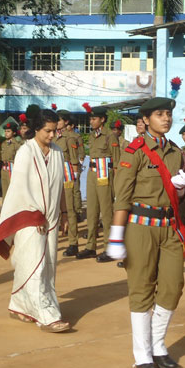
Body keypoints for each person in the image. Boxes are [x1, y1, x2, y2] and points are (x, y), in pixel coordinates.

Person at [107, 97, 185, 368]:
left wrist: (180, 189)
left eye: (168, 114)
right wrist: (116, 236)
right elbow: (123, 195)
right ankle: (143, 354)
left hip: (169, 225)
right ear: (145, 120)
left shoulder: (175, 152)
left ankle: (157, 345)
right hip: (140, 226)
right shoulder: (135, 151)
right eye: (159, 114)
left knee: (172, 285)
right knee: (142, 288)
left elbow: (177, 195)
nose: (166, 118)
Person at [0, 109, 70, 332]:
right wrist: (34, 214)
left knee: (47, 265)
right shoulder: (25, 152)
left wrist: (64, 213)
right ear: (36, 129)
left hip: (52, 218)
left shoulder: (57, 152)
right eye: (47, 131)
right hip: (29, 217)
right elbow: (20, 188)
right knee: (33, 263)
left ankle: (19, 305)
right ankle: (46, 314)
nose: (52, 136)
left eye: (55, 131)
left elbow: (60, 186)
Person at [76, 104, 120, 262]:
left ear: (102, 120)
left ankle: (109, 248)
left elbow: (116, 163)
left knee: (107, 213)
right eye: (90, 119)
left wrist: (115, 185)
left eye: (94, 119)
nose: (91, 121)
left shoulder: (110, 136)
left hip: (105, 175)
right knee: (91, 211)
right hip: (92, 174)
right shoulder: (93, 136)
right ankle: (91, 246)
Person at [54, 110, 80, 257]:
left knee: (69, 209)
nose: (57, 123)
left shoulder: (69, 138)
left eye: (59, 120)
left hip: (66, 175)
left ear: (66, 122)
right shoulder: (53, 136)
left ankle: (73, 243)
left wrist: (74, 175)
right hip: (55, 175)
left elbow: (74, 159)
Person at [67, 121, 85, 220]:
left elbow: (81, 152)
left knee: (76, 189)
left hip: (74, 165)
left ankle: (78, 210)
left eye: (67, 125)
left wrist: (80, 164)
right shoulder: (62, 136)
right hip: (65, 166)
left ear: (72, 125)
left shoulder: (76, 137)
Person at [0, 121, 22, 199]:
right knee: (4, 191)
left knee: (13, 191)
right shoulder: (3, 144)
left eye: (8, 131)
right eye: (5, 131)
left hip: (12, 169)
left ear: (14, 133)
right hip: (4, 170)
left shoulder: (17, 144)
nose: (6, 133)